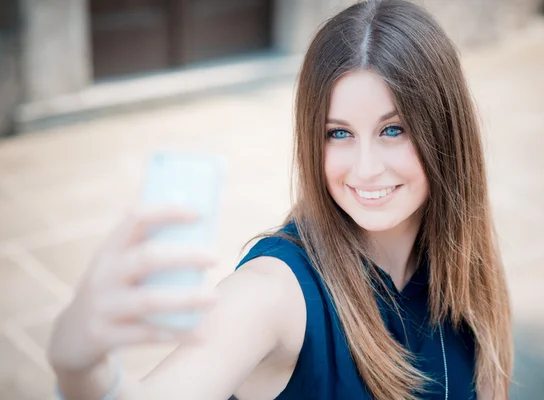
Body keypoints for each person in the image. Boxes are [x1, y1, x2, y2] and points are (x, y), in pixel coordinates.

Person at [47, 0, 513, 399]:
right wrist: (83, 370)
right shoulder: (276, 292)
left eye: (393, 129)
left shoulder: (463, 262)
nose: (366, 167)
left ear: (445, 133)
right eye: (338, 133)